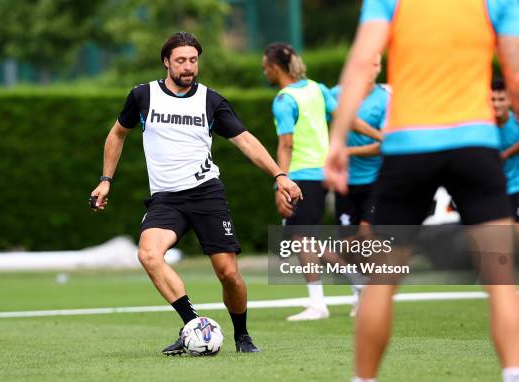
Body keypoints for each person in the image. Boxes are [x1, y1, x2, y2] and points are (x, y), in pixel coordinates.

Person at [324, 1, 519, 381]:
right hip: (474, 143)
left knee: (383, 278)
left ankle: (363, 379)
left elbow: (363, 60)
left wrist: (337, 139)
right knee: (500, 275)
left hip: (408, 146)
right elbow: (514, 73)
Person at [90, 31, 302, 355]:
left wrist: (279, 174)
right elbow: (117, 134)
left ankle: (242, 335)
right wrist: (106, 179)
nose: (188, 67)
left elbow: (245, 140)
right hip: (166, 199)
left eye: (193, 60)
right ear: (166, 62)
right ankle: (193, 324)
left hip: (206, 194)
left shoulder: (211, 100)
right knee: (148, 254)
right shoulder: (142, 96)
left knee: (228, 273)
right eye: (181, 61)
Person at [262, 42, 380, 321]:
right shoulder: (317, 88)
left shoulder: (283, 100)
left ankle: (319, 303)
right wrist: (379, 135)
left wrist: (282, 182)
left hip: (301, 176)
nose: (264, 73)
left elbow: (286, 145)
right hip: (321, 175)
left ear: (275, 68)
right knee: (304, 239)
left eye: (265, 68)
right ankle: (358, 281)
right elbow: (346, 120)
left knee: (302, 239)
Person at [330, 53, 389, 317]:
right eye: (368, 62)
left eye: (376, 63)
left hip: (375, 180)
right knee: (349, 244)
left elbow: (384, 144)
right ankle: (360, 291)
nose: (372, 68)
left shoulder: (385, 100)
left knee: (367, 235)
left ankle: (376, 296)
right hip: (344, 183)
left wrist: (348, 152)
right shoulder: (337, 93)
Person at [492, 78, 519, 222]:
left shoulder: (516, 121)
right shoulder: (484, 126)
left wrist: (506, 153)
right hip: (495, 193)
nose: (496, 104)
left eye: (501, 99)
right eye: (493, 99)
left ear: (509, 101)